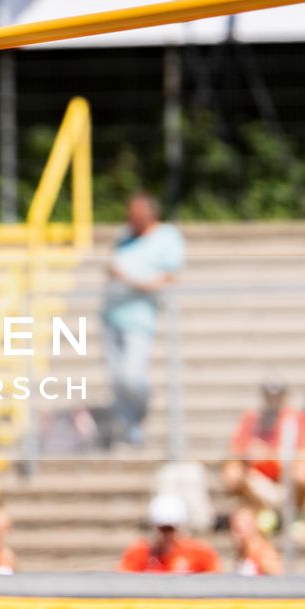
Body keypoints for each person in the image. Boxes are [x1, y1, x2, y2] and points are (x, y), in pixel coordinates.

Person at [99, 192, 185, 449]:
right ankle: (129, 426)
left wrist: (135, 283)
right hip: (112, 314)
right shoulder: (124, 236)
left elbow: (170, 275)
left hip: (140, 316)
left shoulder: (167, 237)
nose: (131, 219)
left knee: (132, 376)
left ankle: (140, 409)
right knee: (117, 378)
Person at [221, 377, 305, 533]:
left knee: (304, 473)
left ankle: (294, 513)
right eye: (269, 396)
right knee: (232, 472)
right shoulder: (251, 419)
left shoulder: (296, 418)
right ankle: (263, 510)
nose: (273, 400)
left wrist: (273, 454)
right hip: (257, 477)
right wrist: (248, 454)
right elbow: (234, 450)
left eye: (277, 396)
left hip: (285, 474)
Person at [117, 494, 221, 573]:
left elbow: (216, 580)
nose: (165, 535)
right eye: (162, 528)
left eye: (169, 529)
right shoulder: (139, 554)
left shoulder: (199, 553)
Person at [228, 506, 284, 576]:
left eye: (238, 530)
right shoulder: (243, 553)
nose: (233, 535)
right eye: (231, 528)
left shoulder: (264, 554)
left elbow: (277, 578)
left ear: (252, 526)